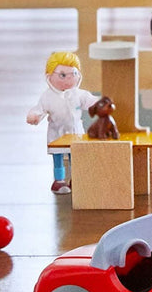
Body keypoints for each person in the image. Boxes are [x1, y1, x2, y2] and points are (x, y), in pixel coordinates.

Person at [26, 51, 100, 195]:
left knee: (76, 157)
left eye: (73, 73)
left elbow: (91, 102)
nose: (69, 79)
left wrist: (100, 104)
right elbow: (39, 109)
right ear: (49, 77)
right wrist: (34, 116)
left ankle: (77, 179)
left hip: (75, 133)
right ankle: (58, 181)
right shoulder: (47, 96)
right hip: (57, 133)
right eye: (63, 75)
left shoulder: (79, 94)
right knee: (58, 157)